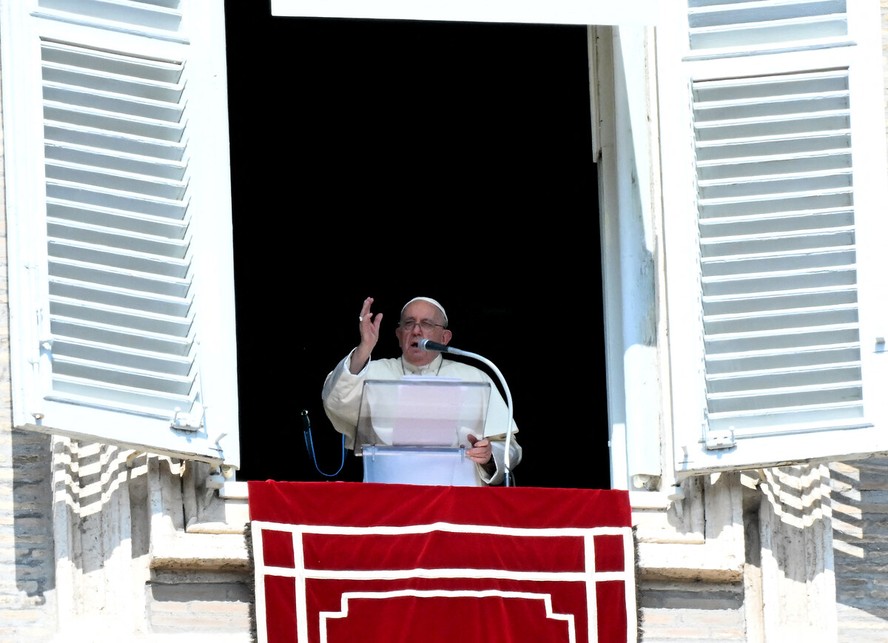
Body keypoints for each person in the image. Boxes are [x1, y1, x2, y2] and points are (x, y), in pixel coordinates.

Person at [322, 296, 522, 486]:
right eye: (408, 323)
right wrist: (364, 348)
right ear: (399, 336)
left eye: (426, 324)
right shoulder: (372, 373)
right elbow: (335, 400)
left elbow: (510, 449)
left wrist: (488, 455)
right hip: (388, 494)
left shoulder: (476, 377)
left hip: (457, 498)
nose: (416, 330)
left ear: (444, 337)